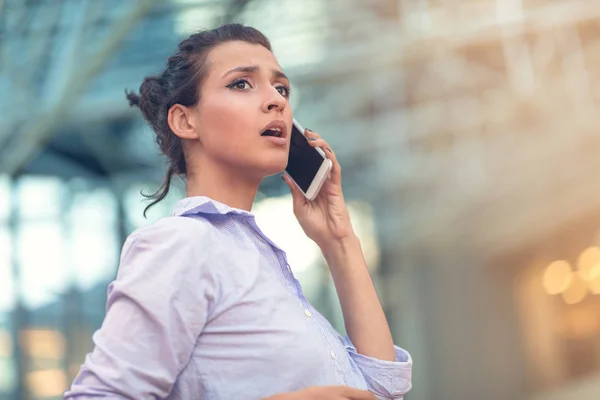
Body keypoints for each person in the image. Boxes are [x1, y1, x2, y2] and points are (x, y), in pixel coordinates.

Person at [64, 24, 412, 400]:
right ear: (185, 121)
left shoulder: (262, 263)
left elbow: (383, 389)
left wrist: (339, 240)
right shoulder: (183, 244)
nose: (276, 100)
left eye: (281, 88)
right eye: (241, 84)